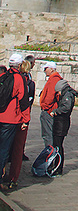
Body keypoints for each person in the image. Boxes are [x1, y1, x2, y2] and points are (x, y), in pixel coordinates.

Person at [4, 59, 35, 190]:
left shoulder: (5, 76)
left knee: (5, 148)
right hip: (17, 118)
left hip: (5, 117)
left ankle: (4, 174)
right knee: (16, 150)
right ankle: (12, 178)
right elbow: (25, 102)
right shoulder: (25, 81)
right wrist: (26, 119)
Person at [0, 54, 25, 189]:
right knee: (4, 150)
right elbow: (23, 100)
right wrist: (25, 119)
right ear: (20, 65)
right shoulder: (18, 79)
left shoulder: (3, 75)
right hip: (10, 119)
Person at [50, 80, 78, 177]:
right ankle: (57, 166)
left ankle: (58, 168)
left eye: (58, 92)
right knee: (57, 145)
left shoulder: (67, 95)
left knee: (58, 145)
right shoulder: (67, 93)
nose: (58, 94)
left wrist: (56, 111)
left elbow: (66, 107)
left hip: (62, 122)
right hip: (61, 122)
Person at [39, 61, 61, 147]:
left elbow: (50, 96)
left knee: (48, 135)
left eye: (46, 68)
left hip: (48, 110)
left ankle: (49, 154)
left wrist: (45, 106)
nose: (45, 71)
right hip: (50, 109)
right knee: (48, 134)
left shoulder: (54, 79)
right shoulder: (54, 79)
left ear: (51, 69)